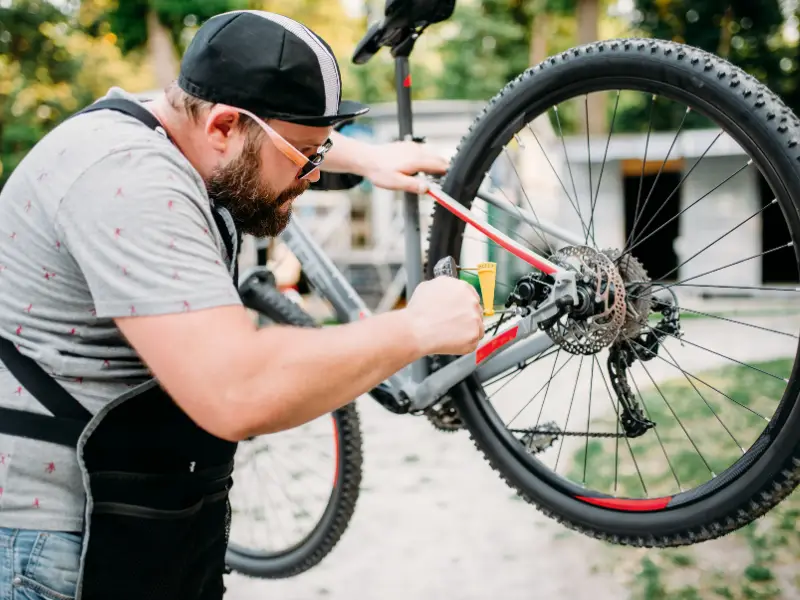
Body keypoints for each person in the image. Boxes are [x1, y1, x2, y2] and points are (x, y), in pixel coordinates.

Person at [0, 10, 484, 600]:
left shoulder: (174, 124)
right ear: (224, 127)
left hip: (137, 515)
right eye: (304, 153)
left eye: (319, 150)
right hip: (54, 549)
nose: (311, 172)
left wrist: (367, 160)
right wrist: (416, 327)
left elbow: (260, 138)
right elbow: (237, 390)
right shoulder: (129, 179)